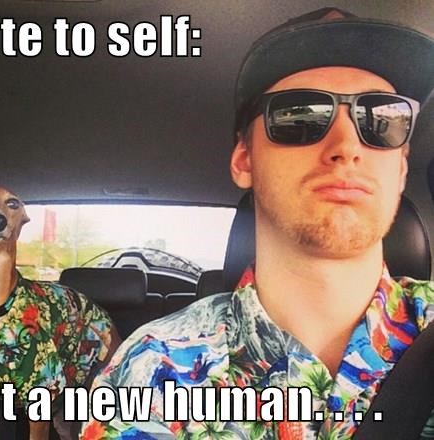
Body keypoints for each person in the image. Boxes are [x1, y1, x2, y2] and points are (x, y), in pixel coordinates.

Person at [80, 7, 434, 439]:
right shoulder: (155, 368)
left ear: (401, 167)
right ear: (244, 160)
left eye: (382, 119)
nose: (347, 146)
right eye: (300, 116)